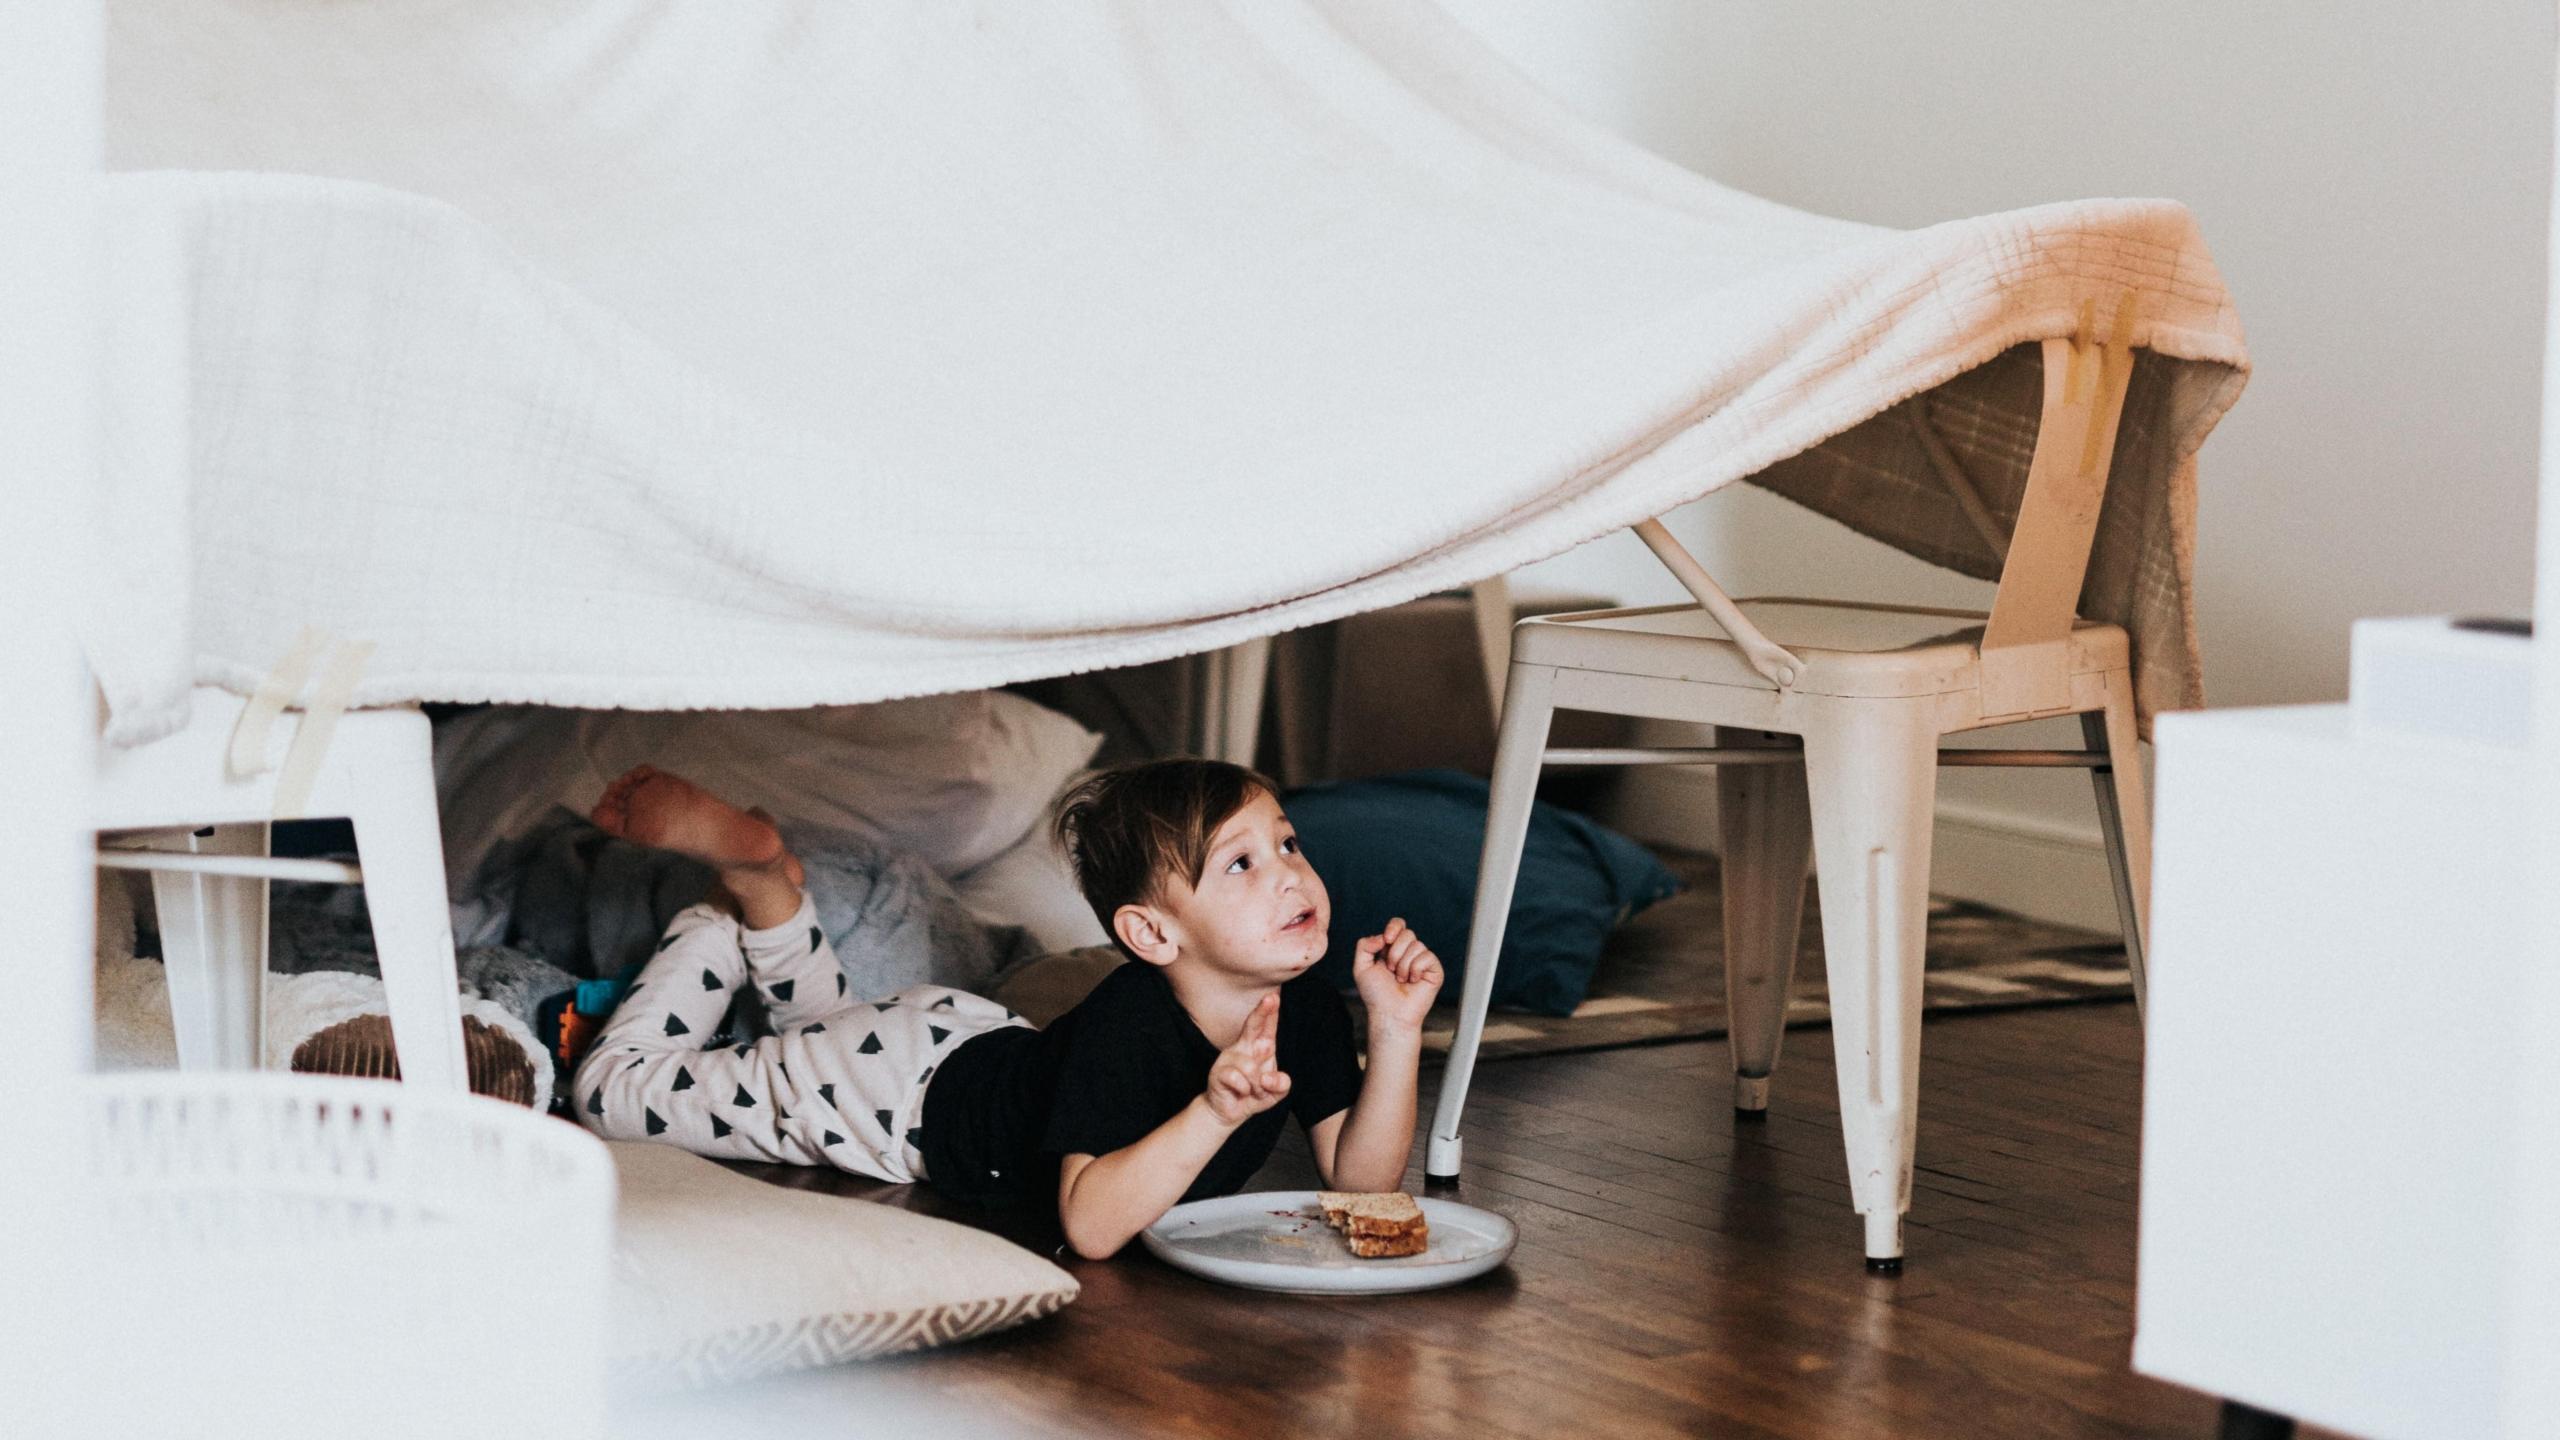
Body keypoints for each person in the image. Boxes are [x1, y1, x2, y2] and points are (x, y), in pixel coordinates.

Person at [572, 757, 1443, 1259]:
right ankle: (722, 919)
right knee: (611, 1093)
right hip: (903, 1100)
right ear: (1152, 933)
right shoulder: (1129, 1021)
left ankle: (768, 888)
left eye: (1287, 842)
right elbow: (1092, 1227)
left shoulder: (1312, 1009)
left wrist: (1396, 1030)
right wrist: (1216, 1111)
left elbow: (1363, 1187)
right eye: (1242, 863)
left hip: (966, 1041)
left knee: (810, 1038)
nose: (1291, 872)